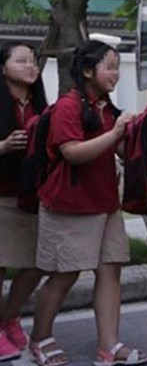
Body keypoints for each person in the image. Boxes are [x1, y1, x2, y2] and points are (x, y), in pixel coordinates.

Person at [29, 40, 147, 366]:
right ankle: (39, 339)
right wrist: (115, 134)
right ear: (86, 71)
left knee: (110, 271)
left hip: (106, 202)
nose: (115, 74)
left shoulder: (105, 106)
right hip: (69, 204)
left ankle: (109, 346)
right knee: (64, 275)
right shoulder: (68, 106)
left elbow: (119, 152)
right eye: (109, 67)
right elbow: (72, 152)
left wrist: (133, 131)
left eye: (115, 66)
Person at [0, 42, 47, 361]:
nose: (31, 67)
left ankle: (9, 318)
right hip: (0, 193)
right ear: (3, 68)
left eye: (33, 61)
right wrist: (3, 146)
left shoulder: (39, 104)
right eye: (21, 61)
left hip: (31, 196)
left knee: (36, 263)